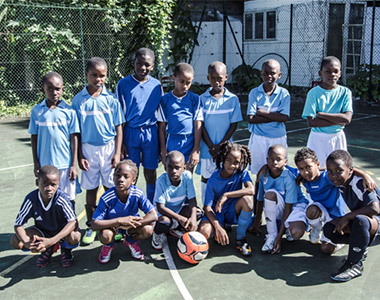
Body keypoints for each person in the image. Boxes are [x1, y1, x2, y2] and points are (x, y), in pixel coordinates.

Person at [72, 57, 125, 245]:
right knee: (91, 188)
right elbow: (75, 131)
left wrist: (117, 153)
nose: (98, 79)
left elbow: (119, 127)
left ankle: (112, 225)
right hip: (88, 150)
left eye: (102, 75)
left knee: (112, 187)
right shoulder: (78, 101)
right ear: (86, 75)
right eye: (94, 75)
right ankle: (92, 224)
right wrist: (79, 155)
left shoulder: (111, 100)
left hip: (109, 149)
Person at [294, 147, 376, 254]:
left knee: (326, 249)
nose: (305, 171)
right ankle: (315, 230)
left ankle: (341, 243)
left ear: (317, 165)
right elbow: (283, 167)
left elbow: (345, 169)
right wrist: (265, 168)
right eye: (301, 169)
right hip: (320, 211)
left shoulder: (329, 177)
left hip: (335, 216)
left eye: (308, 167)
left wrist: (365, 175)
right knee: (311, 210)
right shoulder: (303, 177)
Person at [324, 150, 380, 282]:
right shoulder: (342, 181)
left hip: (375, 221)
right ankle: (361, 247)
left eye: (338, 171)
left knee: (360, 221)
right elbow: (328, 169)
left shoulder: (360, 183)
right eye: (330, 171)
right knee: (330, 229)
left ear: (350, 170)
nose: (334, 175)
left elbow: (374, 208)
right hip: (368, 221)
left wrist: (347, 217)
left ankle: (355, 264)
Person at [116, 48, 162, 203]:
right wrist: (121, 142)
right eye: (139, 63)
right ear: (134, 63)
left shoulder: (156, 85)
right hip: (130, 133)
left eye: (147, 64)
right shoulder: (123, 84)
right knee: (129, 173)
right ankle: (130, 205)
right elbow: (119, 116)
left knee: (150, 171)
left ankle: (151, 205)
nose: (143, 68)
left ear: (153, 66)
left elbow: (161, 115)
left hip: (151, 133)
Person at [11, 165, 81, 268]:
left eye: (53, 185)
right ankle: (48, 249)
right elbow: (18, 224)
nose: (49, 188)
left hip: (61, 232)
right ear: (37, 183)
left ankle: (65, 250)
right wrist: (26, 242)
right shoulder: (31, 199)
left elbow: (73, 221)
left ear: (58, 185)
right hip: (43, 231)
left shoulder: (61, 198)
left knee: (75, 237)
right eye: (45, 184)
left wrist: (52, 240)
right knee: (16, 241)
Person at [92, 160, 157, 263]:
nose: (121, 179)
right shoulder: (107, 197)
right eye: (118, 175)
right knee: (105, 235)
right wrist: (120, 221)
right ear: (113, 177)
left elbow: (153, 215)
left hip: (130, 226)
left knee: (148, 229)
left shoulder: (137, 194)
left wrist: (132, 223)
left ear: (133, 180)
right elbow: (94, 224)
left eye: (126, 176)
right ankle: (107, 246)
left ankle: (131, 241)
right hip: (112, 226)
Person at [28, 72, 79, 202]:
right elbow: (34, 137)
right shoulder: (37, 111)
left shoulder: (69, 112)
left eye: (57, 89)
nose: (54, 92)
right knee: (48, 197)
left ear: (63, 89)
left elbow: (74, 138)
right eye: (49, 89)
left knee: (68, 198)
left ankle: (72, 222)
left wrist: (73, 164)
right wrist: (36, 163)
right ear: (42, 90)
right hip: (46, 165)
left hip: (65, 164)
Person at [198, 141, 254, 256]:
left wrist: (226, 195)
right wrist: (217, 227)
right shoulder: (213, 179)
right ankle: (221, 227)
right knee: (204, 232)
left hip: (232, 210)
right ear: (223, 159)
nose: (232, 165)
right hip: (216, 213)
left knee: (248, 201)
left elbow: (251, 190)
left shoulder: (241, 173)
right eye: (229, 160)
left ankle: (240, 239)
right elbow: (207, 207)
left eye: (236, 162)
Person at [252, 144, 309, 254]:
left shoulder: (289, 178)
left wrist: (279, 238)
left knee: (295, 234)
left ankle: (286, 228)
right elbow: (259, 200)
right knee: (269, 194)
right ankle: (271, 235)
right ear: (267, 160)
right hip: (281, 206)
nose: (274, 162)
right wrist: (256, 222)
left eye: (278, 159)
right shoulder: (263, 175)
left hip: (295, 207)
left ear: (285, 161)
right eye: (271, 159)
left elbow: (288, 208)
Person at [199, 61, 242, 203]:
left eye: (220, 78)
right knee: (207, 177)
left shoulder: (233, 99)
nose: (217, 82)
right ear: (208, 78)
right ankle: (207, 208)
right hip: (207, 149)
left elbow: (233, 124)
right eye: (213, 78)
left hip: (226, 150)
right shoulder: (202, 99)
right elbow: (201, 125)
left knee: (225, 177)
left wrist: (221, 146)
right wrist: (211, 146)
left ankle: (223, 209)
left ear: (226, 77)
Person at [302, 56, 353, 167]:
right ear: (320, 73)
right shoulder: (313, 93)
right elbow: (311, 122)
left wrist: (322, 115)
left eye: (335, 71)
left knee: (339, 168)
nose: (332, 74)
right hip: (317, 138)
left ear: (340, 73)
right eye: (328, 71)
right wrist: (338, 120)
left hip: (338, 137)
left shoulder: (345, 92)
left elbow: (347, 118)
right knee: (316, 168)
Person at [157, 62, 202, 173]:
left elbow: (198, 124)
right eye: (182, 81)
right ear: (174, 78)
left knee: (187, 176)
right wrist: (163, 150)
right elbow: (161, 126)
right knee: (172, 175)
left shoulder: (195, 99)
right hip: (172, 141)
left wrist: (196, 149)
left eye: (189, 82)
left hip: (189, 142)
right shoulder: (165, 100)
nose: (185, 86)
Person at [247, 59, 290, 174]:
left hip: (278, 137)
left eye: (273, 73)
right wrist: (275, 116)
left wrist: (262, 113)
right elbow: (251, 119)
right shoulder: (254, 93)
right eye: (265, 73)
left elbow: (284, 118)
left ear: (279, 75)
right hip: (259, 138)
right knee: (260, 171)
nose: (269, 76)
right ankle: (258, 192)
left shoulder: (284, 94)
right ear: (261, 74)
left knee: (279, 170)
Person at [152, 151, 199, 251]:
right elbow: (160, 208)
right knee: (165, 222)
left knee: (197, 212)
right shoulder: (161, 181)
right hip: (163, 214)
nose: (174, 171)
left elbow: (192, 200)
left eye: (177, 168)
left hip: (177, 210)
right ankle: (157, 233)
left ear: (184, 168)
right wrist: (179, 218)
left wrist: (193, 218)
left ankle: (176, 229)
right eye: (170, 167)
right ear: (165, 167)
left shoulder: (187, 177)